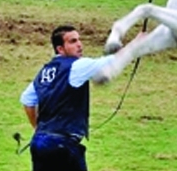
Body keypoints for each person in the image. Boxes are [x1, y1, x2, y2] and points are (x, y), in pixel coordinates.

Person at [20, 25, 116, 171]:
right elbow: (109, 61)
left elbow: (27, 100)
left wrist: (38, 128)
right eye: (72, 41)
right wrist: (138, 44)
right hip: (63, 145)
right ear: (60, 49)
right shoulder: (76, 66)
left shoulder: (45, 71)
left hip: (39, 143)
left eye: (79, 40)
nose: (79, 44)